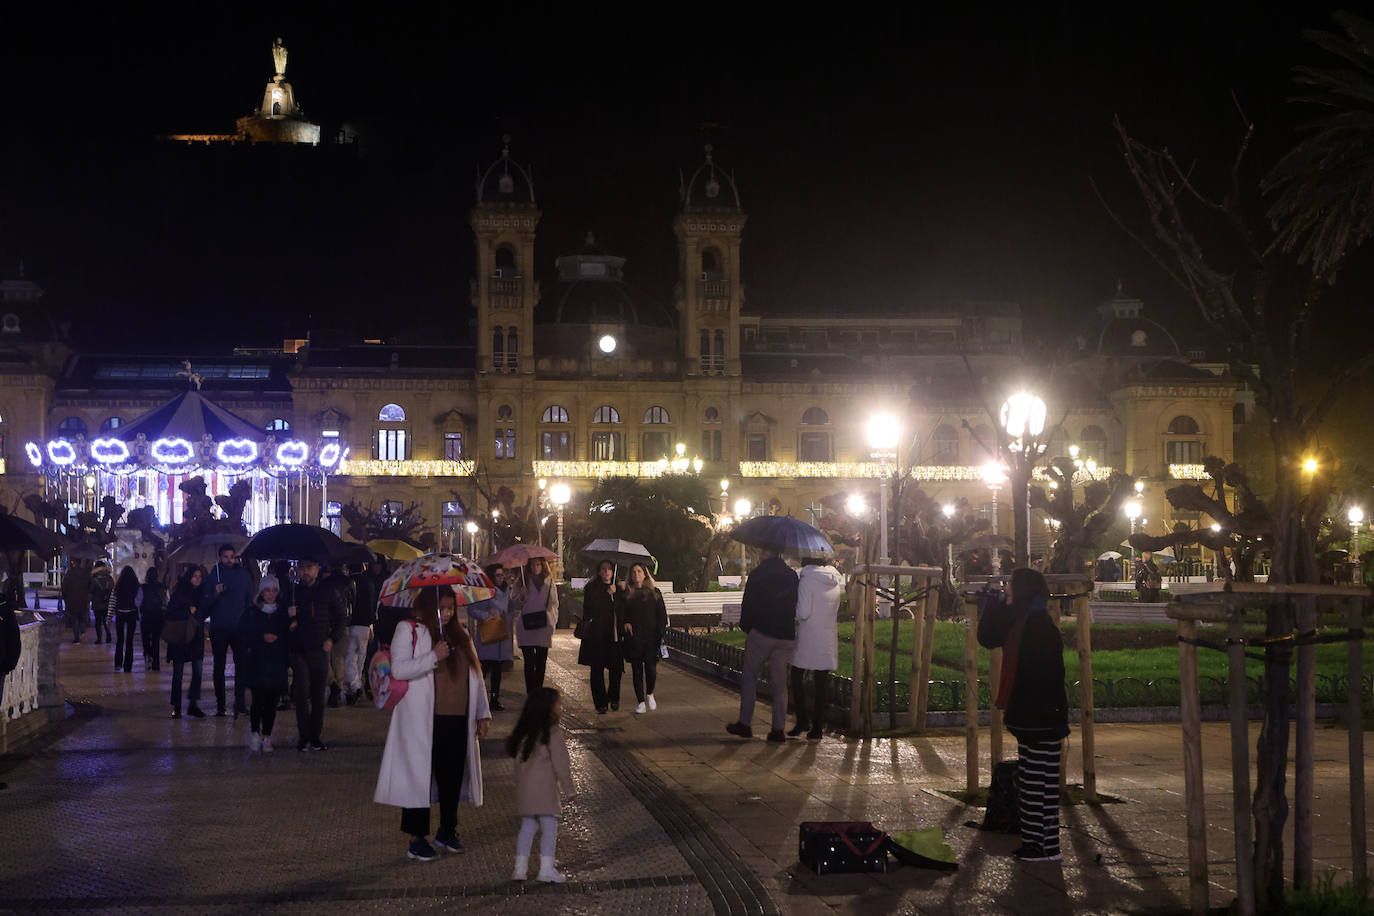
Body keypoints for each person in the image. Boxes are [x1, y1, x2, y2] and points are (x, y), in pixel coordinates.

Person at [374, 588, 491, 862]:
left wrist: (482, 713)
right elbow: (400, 669)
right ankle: (417, 839)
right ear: (427, 606)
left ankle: (447, 831)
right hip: (422, 720)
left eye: (450, 607)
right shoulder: (408, 629)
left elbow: (475, 675)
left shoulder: (461, 634)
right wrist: (434, 656)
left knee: (451, 777)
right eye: (441, 608)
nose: (447, 613)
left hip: (457, 718)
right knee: (419, 778)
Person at [977, 567, 1069, 863]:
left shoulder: (1033, 625)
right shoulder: (1028, 620)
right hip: (1042, 715)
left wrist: (996, 606)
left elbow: (1040, 676)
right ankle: (1044, 845)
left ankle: (1038, 846)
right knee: (1039, 781)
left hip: (1038, 715)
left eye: (1010, 587)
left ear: (1023, 591)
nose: (1007, 590)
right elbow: (988, 637)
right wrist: (993, 604)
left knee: (1036, 783)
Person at [727, 549, 798, 742]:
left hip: (762, 633)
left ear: (765, 553)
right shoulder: (791, 575)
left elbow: (748, 604)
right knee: (779, 683)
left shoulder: (758, 574)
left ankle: (745, 723)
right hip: (785, 635)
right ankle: (778, 729)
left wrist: (748, 628)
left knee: (750, 677)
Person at [507, 686, 575, 883]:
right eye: (558, 704)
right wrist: (569, 789)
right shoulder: (552, 733)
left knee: (527, 828)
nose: (561, 707)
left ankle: (519, 869)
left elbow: (518, 766)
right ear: (549, 709)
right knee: (549, 830)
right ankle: (546, 869)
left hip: (527, 793)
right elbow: (561, 764)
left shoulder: (524, 734)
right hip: (545, 793)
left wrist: (520, 787)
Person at [287, 558, 347, 752]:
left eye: (309, 567)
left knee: (318, 695)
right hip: (299, 649)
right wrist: (290, 618)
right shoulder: (294, 592)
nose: (305, 572)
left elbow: (340, 617)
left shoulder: (328, 590)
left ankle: (315, 736)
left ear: (317, 568)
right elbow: (282, 619)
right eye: (302, 567)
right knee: (301, 692)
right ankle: (304, 736)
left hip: (320, 649)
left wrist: (332, 639)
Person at [789, 557, 843, 739]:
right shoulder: (835, 580)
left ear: (805, 565)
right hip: (827, 637)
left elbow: (803, 612)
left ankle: (802, 719)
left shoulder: (806, 580)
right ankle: (818, 727)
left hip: (809, 636)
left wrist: (794, 610)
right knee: (822, 683)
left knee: (796, 675)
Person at [240, 575, 290, 752]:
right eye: (267, 590)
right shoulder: (251, 612)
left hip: (276, 663)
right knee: (258, 701)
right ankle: (254, 733)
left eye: (274, 590)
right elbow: (243, 636)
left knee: (271, 703)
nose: (271, 594)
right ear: (261, 592)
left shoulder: (283, 612)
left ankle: (266, 736)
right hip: (258, 663)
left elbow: (288, 636)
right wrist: (261, 638)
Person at [618, 562, 667, 715]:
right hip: (634, 638)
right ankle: (640, 702)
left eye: (639, 571)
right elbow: (621, 613)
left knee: (651, 669)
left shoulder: (654, 593)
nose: (636, 574)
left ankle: (650, 693)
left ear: (645, 574)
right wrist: (625, 622)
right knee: (637, 671)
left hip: (651, 637)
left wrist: (660, 632)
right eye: (633, 572)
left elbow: (662, 615)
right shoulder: (627, 594)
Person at [578, 560, 623, 714]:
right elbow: (591, 609)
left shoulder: (618, 588)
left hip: (614, 635)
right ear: (599, 572)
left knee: (616, 669)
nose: (607, 572)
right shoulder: (591, 588)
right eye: (603, 569)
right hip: (597, 635)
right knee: (596, 670)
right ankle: (601, 703)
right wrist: (606, 595)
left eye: (609, 569)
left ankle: (614, 697)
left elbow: (623, 609)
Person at [470, 564, 517, 710]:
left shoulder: (507, 591)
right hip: (488, 636)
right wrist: (488, 615)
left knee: (497, 671)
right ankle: (476, 700)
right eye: (498, 575)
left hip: (502, 635)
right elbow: (472, 609)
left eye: (502, 575)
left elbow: (511, 609)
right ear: (491, 576)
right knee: (483, 670)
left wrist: (517, 600)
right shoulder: (484, 592)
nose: (501, 578)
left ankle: (494, 699)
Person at [166, 566, 207, 719]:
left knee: (198, 671)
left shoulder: (203, 593)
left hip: (196, 637)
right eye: (195, 576)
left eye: (200, 576)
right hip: (181, 637)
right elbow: (170, 613)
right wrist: (187, 611)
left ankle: (193, 704)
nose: (198, 579)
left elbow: (205, 611)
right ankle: (176, 706)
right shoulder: (179, 593)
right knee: (178, 674)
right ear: (189, 577)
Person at [514, 558, 558, 695]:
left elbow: (554, 603)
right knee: (529, 663)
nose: (535, 568)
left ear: (543, 565)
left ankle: (538, 691)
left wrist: (551, 621)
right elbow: (514, 603)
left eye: (538, 564)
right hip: (526, 627)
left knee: (541, 663)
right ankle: (531, 692)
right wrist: (521, 595)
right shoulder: (521, 582)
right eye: (532, 565)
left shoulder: (549, 582)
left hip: (543, 626)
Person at [344, 561, 377, 706]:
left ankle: (355, 686)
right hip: (366, 624)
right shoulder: (369, 583)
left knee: (350, 656)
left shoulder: (350, 582)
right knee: (361, 657)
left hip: (352, 623)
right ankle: (354, 686)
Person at [324, 563, 356, 708]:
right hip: (345, 623)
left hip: (328, 623)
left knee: (325, 658)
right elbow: (353, 603)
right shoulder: (350, 582)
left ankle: (333, 685)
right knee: (339, 658)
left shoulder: (326, 583)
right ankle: (338, 688)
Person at [111, 566, 141, 673]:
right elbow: (138, 601)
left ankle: (118, 663)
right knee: (129, 640)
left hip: (120, 613)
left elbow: (113, 601)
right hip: (132, 613)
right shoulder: (136, 586)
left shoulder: (118, 586)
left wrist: (109, 616)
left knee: (119, 639)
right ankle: (128, 665)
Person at [139, 568, 166, 671]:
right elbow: (165, 601)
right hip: (158, 616)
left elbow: (138, 601)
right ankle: (156, 663)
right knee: (156, 640)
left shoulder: (143, 587)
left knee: (145, 638)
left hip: (146, 616)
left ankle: (148, 654)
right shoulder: (161, 587)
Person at [61, 561, 91, 644]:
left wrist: (65, 597)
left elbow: (64, 587)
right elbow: (90, 586)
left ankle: (77, 638)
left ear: (73, 563)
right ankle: (82, 630)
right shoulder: (85, 574)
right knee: (82, 616)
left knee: (74, 618)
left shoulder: (69, 574)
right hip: (83, 599)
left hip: (72, 600)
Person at [90, 562, 113, 645]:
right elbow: (112, 589)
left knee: (98, 621)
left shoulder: (94, 579)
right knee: (106, 620)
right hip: (107, 603)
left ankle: (99, 638)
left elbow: (91, 590)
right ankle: (108, 635)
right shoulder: (109, 578)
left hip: (97, 603)